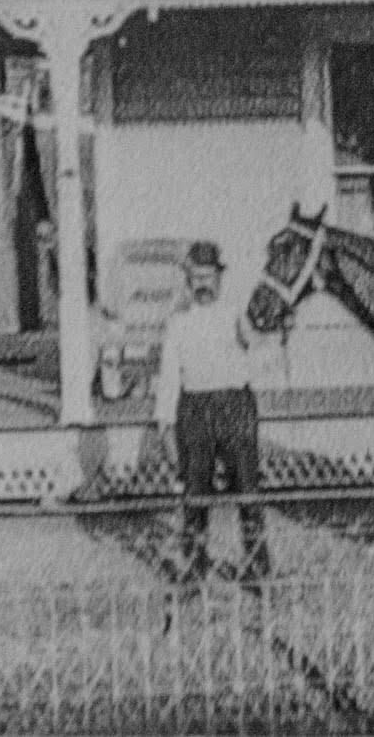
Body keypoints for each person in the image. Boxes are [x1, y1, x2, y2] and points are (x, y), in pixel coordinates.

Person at [152, 240, 271, 585]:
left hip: (235, 405)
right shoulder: (177, 323)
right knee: (195, 492)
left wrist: (255, 330)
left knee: (247, 488)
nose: (203, 284)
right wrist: (165, 426)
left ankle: (257, 566)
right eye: (196, 277)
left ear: (220, 277)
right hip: (195, 409)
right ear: (187, 280)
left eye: (209, 276)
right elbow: (169, 377)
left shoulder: (236, 313)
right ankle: (194, 566)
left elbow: (259, 341)